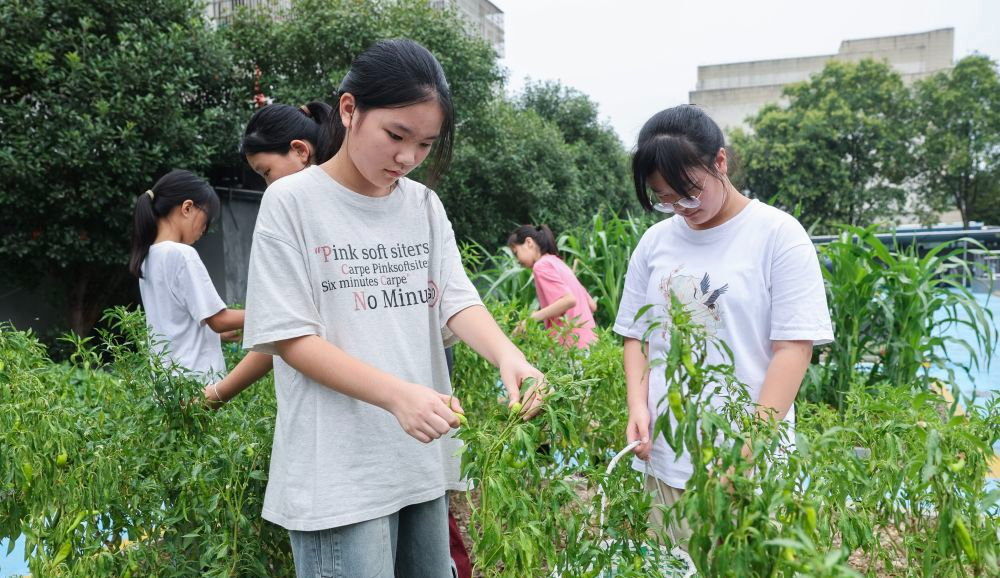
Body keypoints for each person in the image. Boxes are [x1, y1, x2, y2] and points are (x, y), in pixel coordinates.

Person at [241, 39, 545, 577]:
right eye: (396, 135)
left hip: (418, 463)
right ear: (350, 110)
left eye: (425, 144)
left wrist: (508, 355)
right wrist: (398, 396)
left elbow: (456, 301)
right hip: (339, 475)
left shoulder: (422, 205)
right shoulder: (292, 203)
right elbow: (291, 339)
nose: (408, 157)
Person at [614, 105, 833, 547]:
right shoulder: (654, 241)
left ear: (720, 161)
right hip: (666, 456)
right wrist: (637, 404)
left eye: (689, 193)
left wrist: (745, 452)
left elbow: (793, 350)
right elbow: (637, 334)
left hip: (750, 461)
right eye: (664, 199)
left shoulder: (778, 235)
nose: (680, 208)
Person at [202, 101, 334, 406]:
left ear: (301, 151)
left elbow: (284, 328)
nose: (268, 186)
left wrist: (218, 394)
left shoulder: (302, 211)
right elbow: (287, 330)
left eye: (266, 172)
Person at [129, 169, 245, 382]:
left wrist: (215, 336)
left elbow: (175, 325)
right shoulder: (182, 254)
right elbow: (219, 320)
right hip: (198, 387)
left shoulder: (148, 259)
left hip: (169, 387)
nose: (205, 229)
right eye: (206, 219)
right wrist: (270, 313)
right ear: (187, 207)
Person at [508, 224, 598, 350]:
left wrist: (530, 319)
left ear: (529, 242)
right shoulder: (559, 263)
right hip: (591, 344)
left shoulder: (541, 266)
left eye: (516, 252)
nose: (517, 260)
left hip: (571, 347)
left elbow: (569, 300)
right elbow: (592, 306)